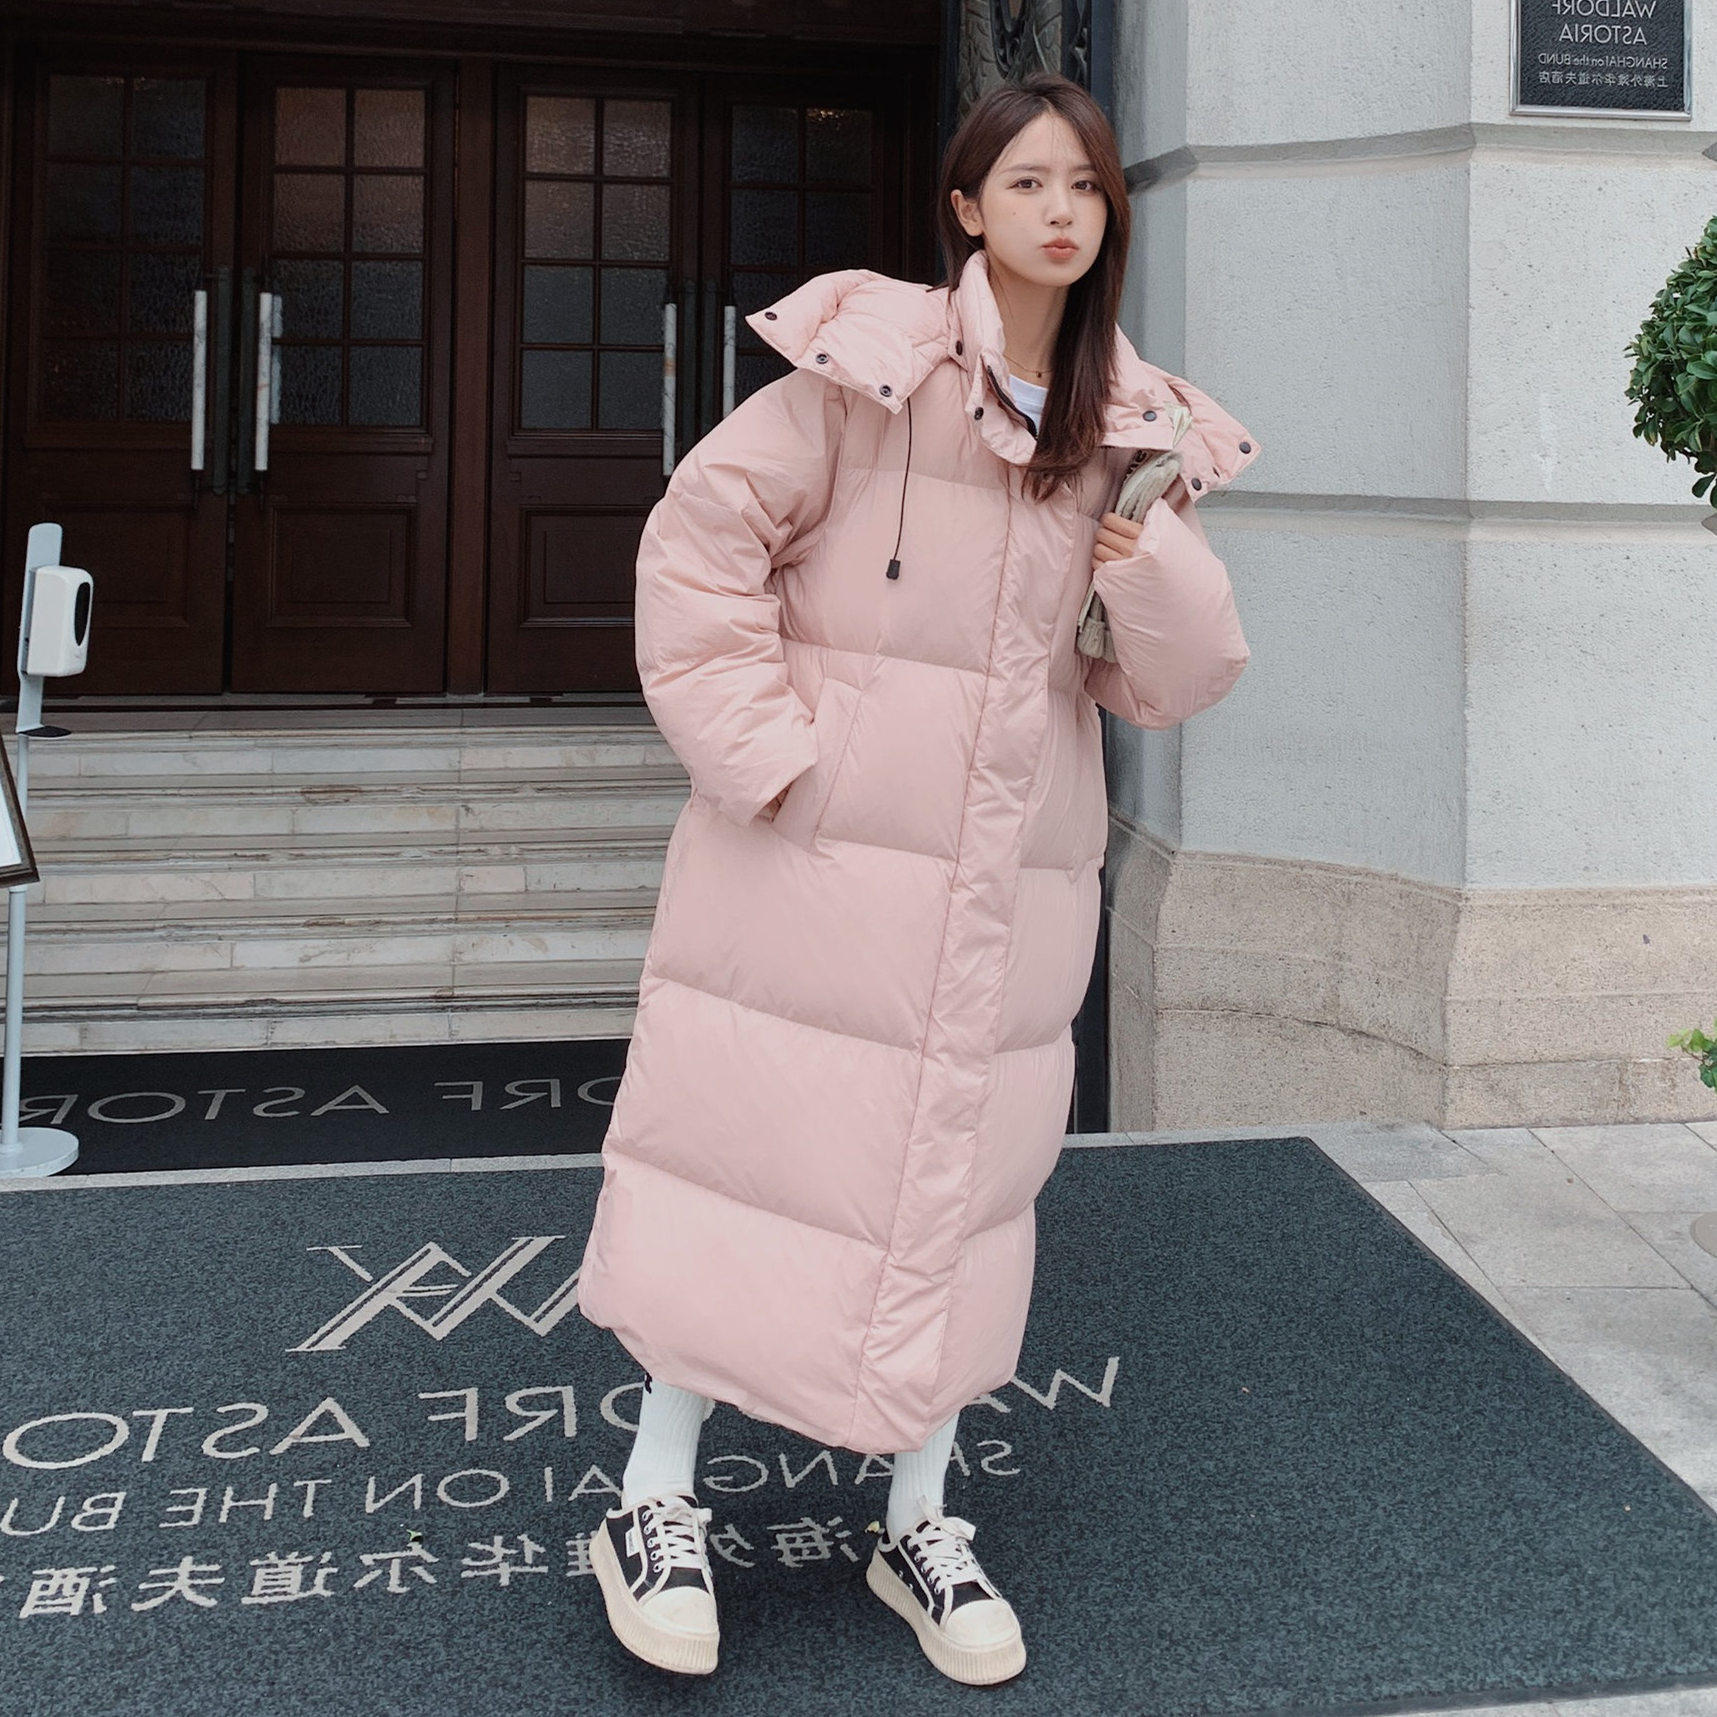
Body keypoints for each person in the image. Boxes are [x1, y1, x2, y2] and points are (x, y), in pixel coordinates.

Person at [575, 68, 1260, 1687]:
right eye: (1026, 182)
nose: (1059, 211)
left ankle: (919, 1515)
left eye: (1083, 186)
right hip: (811, 860)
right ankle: (653, 1497)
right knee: (743, 1153)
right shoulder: (868, 366)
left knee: (960, 1186)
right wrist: (770, 757)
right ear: (964, 206)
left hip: (1009, 879)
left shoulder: (1134, 424)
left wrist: (1152, 564)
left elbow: (1167, 680)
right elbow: (699, 542)